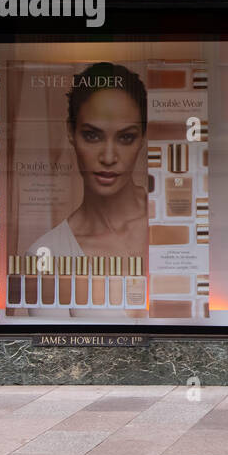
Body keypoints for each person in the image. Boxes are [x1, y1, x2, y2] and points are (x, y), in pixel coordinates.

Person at [26, 62, 149, 317]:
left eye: (126, 137)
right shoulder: (46, 254)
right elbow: (55, 354)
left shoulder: (181, 226)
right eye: (92, 135)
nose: (108, 156)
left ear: (143, 138)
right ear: (71, 132)